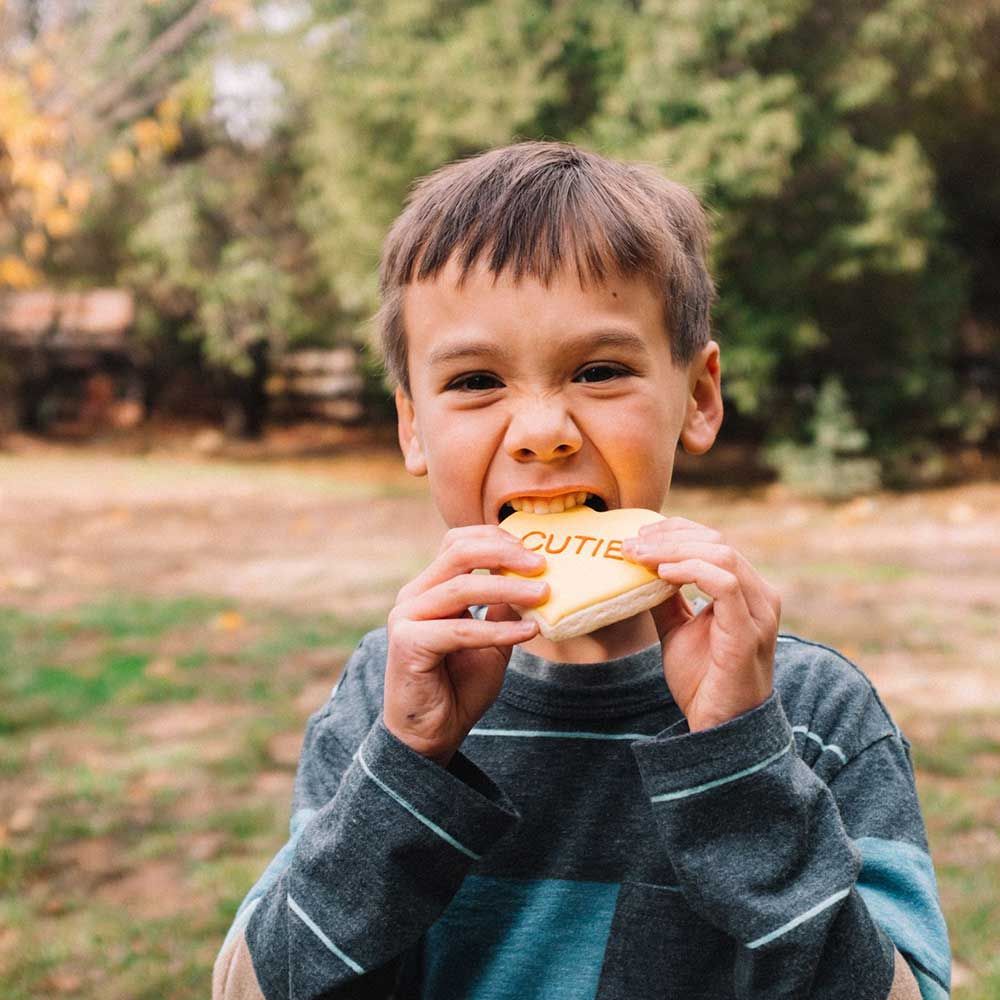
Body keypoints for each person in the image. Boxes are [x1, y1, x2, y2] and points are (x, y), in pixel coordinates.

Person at [213, 141, 951, 1000]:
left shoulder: (817, 711)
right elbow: (251, 989)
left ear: (699, 398)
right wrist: (408, 765)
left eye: (600, 371)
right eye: (476, 380)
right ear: (414, 428)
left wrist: (742, 764)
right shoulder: (386, 699)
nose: (541, 431)